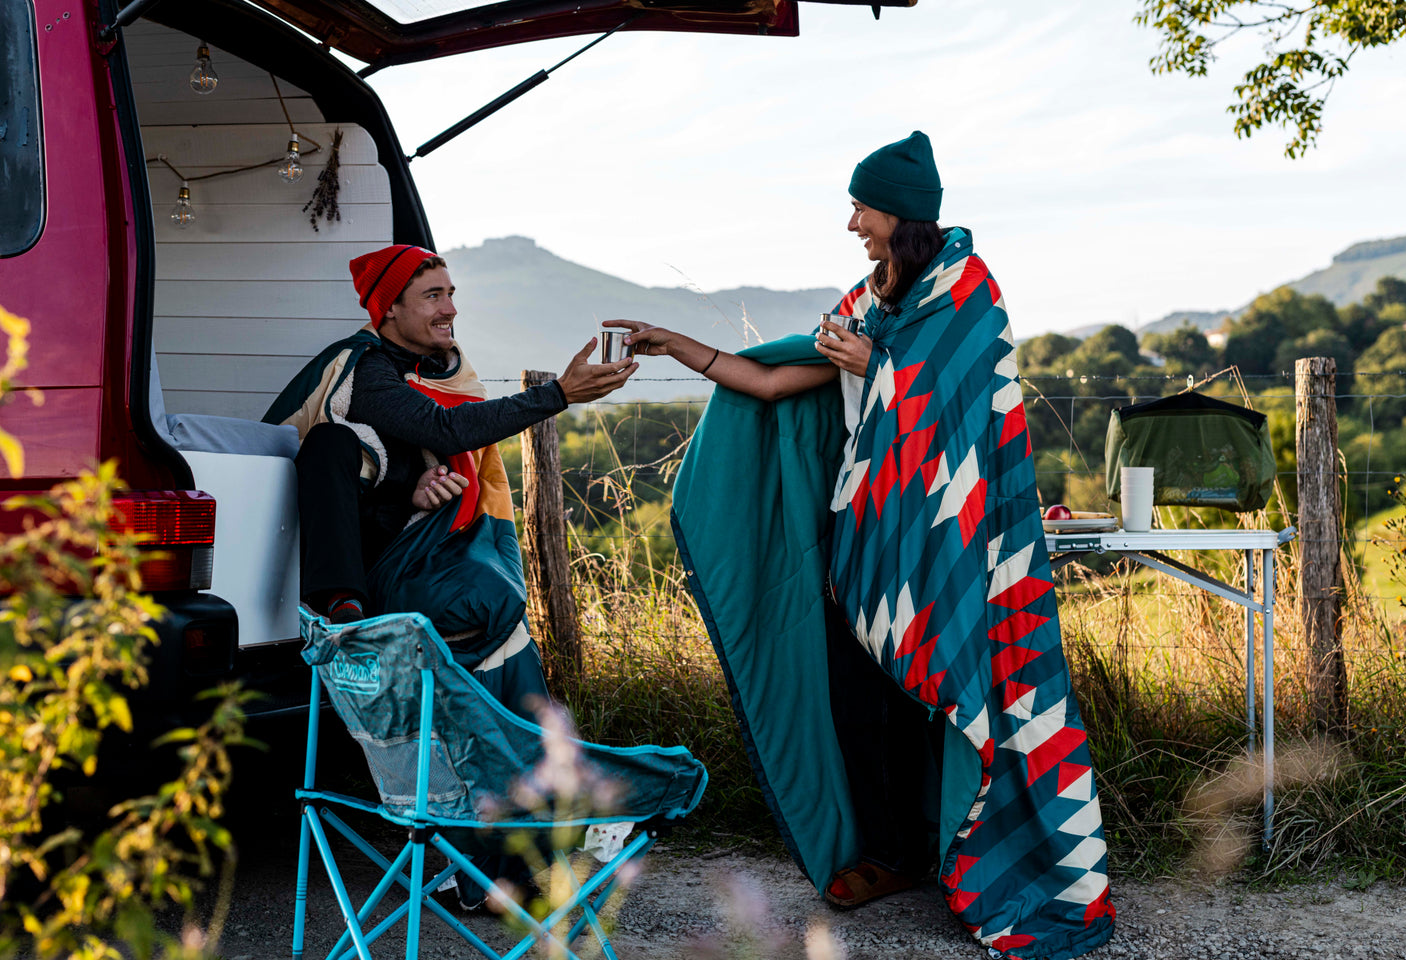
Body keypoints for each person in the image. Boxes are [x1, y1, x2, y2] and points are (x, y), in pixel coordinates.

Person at [608, 132, 1116, 959]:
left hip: (949, 551)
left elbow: (966, 417)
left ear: (900, 215)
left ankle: (962, 849)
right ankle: (889, 853)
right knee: (861, 701)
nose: (852, 225)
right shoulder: (867, 301)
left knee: (940, 696)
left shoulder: (968, 294)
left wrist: (877, 366)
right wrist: (679, 345)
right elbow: (771, 380)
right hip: (863, 547)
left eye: (861, 209)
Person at [264, 244, 633, 908]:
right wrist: (557, 395)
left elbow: (423, 451)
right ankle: (512, 852)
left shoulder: (439, 370)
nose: (450, 309)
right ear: (389, 308)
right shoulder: (369, 372)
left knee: (506, 643)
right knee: (480, 636)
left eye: (451, 293)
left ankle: (508, 862)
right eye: (433, 295)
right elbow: (443, 428)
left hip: (430, 559)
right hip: (387, 580)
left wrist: (416, 493)